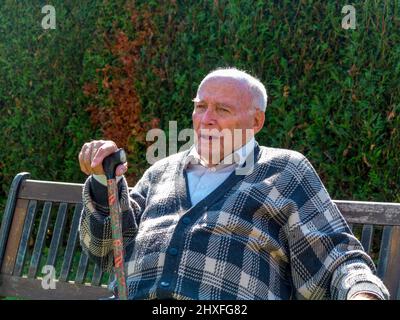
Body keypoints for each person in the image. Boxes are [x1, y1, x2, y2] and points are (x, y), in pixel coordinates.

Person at [78, 68, 389, 300]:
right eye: (201, 106)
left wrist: (362, 293)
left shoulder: (284, 170)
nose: (206, 119)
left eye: (222, 109)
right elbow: (105, 251)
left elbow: (336, 255)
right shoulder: (161, 172)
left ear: (256, 122)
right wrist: (102, 181)